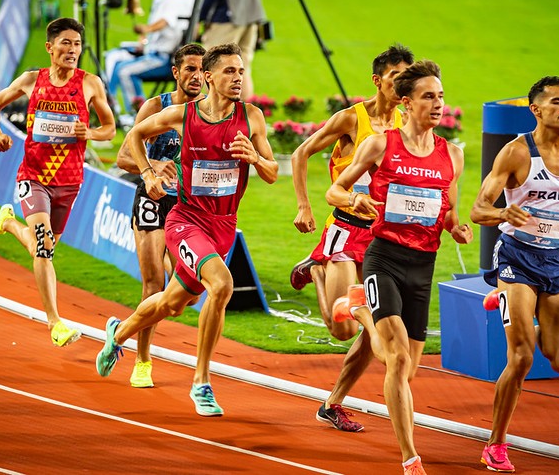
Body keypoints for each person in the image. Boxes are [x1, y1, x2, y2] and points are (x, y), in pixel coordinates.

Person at [96, 43, 278, 416]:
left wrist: (255, 157)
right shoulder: (182, 115)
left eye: (241, 71)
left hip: (224, 226)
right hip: (186, 220)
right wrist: (147, 173)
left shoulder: (252, 117)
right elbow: (133, 137)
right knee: (222, 285)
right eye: (230, 71)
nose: (238, 78)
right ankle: (202, 383)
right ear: (209, 77)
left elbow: (273, 173)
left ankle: (118, 334)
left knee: (172, 303)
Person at [326, 60, 472, 474]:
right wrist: (353, 199)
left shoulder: (453, 156)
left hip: (422, 267)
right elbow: (334, 190)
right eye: (429, 96)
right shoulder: (380, 145)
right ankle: (410, 457)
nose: (439, 103)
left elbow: (448, 213)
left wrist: (457, 228)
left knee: (406, 370)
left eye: (441, 96)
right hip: (384, 257)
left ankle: (358, 309)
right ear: (405, 103)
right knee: (396, 359)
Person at [470, 75, 559, 473]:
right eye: (557, 102)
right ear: (536, 110)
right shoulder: (516, 153)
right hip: (517, 259)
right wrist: (502, 212)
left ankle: (519, 315)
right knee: (521, 356)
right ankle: (496, 443)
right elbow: (477, 209)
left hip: (556, 263)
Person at [290, 45, 414, 432]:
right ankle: (315, 269)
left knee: (375, 326)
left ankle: (333, 402)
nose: (403, 85)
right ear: (378, 81)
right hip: (344, 228)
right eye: (396, 77)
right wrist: (304, 207)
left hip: (382, 238)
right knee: (342, 328)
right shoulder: (351, 119)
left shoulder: (406, 125)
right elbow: (300, 153)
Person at [0, 17, 116, 346]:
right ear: (50, 47)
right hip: (34, 175)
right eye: (66, 43)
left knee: (43, 247)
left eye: (77, 45)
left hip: (69, 181)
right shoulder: (31, 80)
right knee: (43, 247)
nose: (72, 50)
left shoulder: (90, 84)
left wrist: (91, 133)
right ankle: (55, 323)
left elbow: (110, 128)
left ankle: (9, 223)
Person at [114, 43, 206, 388]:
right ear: (177, 73)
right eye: (190, 70)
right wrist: (151, 167)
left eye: (201, 71)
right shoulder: (157, 107)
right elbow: (124, 157)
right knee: (154, 283)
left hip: (188, 209)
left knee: (188, 297)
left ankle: (120, 330)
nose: (196, 77)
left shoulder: (208, 112)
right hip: (152, 200)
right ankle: (142, 360)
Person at [105, 0, 195, 123]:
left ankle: (140, 116)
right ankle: (111, 106)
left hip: (163, 58)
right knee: (115, 60)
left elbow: (166, 21)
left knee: (125, 71)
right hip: (153, 52)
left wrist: (147, 28)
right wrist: (144, 41)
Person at [198, 0, 266, 101]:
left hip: (228, 18)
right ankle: (242, 118)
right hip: (251, 19)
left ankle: (202, 117)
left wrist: (201, 17)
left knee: (208, 65)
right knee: (243, 69)